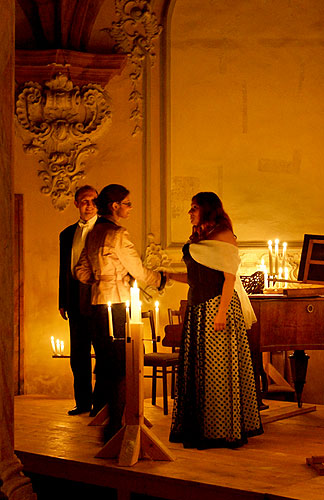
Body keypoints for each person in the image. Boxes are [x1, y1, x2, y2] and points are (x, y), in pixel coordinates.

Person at [167, 191, 263, 449]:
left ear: (207, 210)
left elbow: (229, 278)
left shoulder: (223, 235)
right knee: (201, 370)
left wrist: (221, 313)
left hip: (216, 308)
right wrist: (168, 276)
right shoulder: (201, 237)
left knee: (218, 371)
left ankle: (223, 430)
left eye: (194, 207)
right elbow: (197, 277)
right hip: (198, 309)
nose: (189, 212)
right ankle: (203, 428)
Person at [75, 184, 165, 441]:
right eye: (127, 203)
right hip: (117, 305)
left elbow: (79, 270)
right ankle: (118, 422)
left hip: (97, 304)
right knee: (121, 364)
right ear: (114, 206)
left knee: (105, 361)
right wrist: (160, 279)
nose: (130, 207)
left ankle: (109, 419)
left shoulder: (93, 232)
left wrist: (97, 278)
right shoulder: (117, 234)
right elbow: (138, 271)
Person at [59, 185, 98, 416]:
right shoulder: (66, 234)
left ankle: (101, 404)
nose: (89, 204)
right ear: (76, 203)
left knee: (102, 354)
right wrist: (62, 300)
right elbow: (63, 269)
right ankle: (83, 403)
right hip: (74, 298)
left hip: (98, 296)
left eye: (93, 200)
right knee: (78, 354)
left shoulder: (105, 229)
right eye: (84, 200)